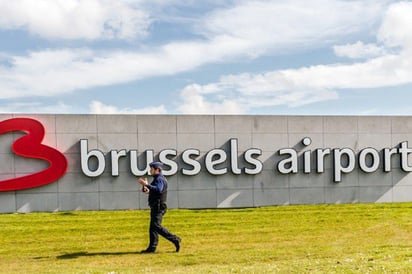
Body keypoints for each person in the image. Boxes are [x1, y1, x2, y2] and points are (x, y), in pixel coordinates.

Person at [137, 161, 181, 253]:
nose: (150, 170)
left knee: (156, 226)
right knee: (153, 228)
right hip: (157, 206)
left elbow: (158, 189)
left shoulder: (159, 179)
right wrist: (147, 190)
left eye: (152, 169)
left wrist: (146, 184)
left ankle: (175, 239)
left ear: (157, 170)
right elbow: (156, 191)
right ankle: (152, 248)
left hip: (158, 206)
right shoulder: (158, 178)